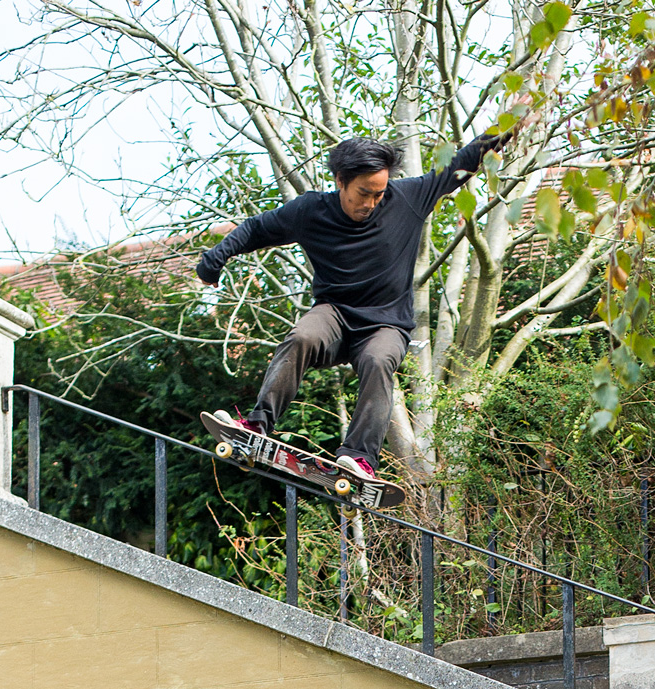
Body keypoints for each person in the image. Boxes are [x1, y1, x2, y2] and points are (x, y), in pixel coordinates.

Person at [197, 125, 521, 483]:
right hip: (334, 315)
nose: (370, 204)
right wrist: (214, 259)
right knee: (303, 336)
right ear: (340, 181)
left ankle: (359, 458)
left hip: (386, 324)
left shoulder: (409, 197)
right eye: (363, 194)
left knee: (378, 360)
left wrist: (507, 125)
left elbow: (462, 163)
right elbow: (256, 229)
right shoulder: (310, 211)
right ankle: (257, 426)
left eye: (378, 195)